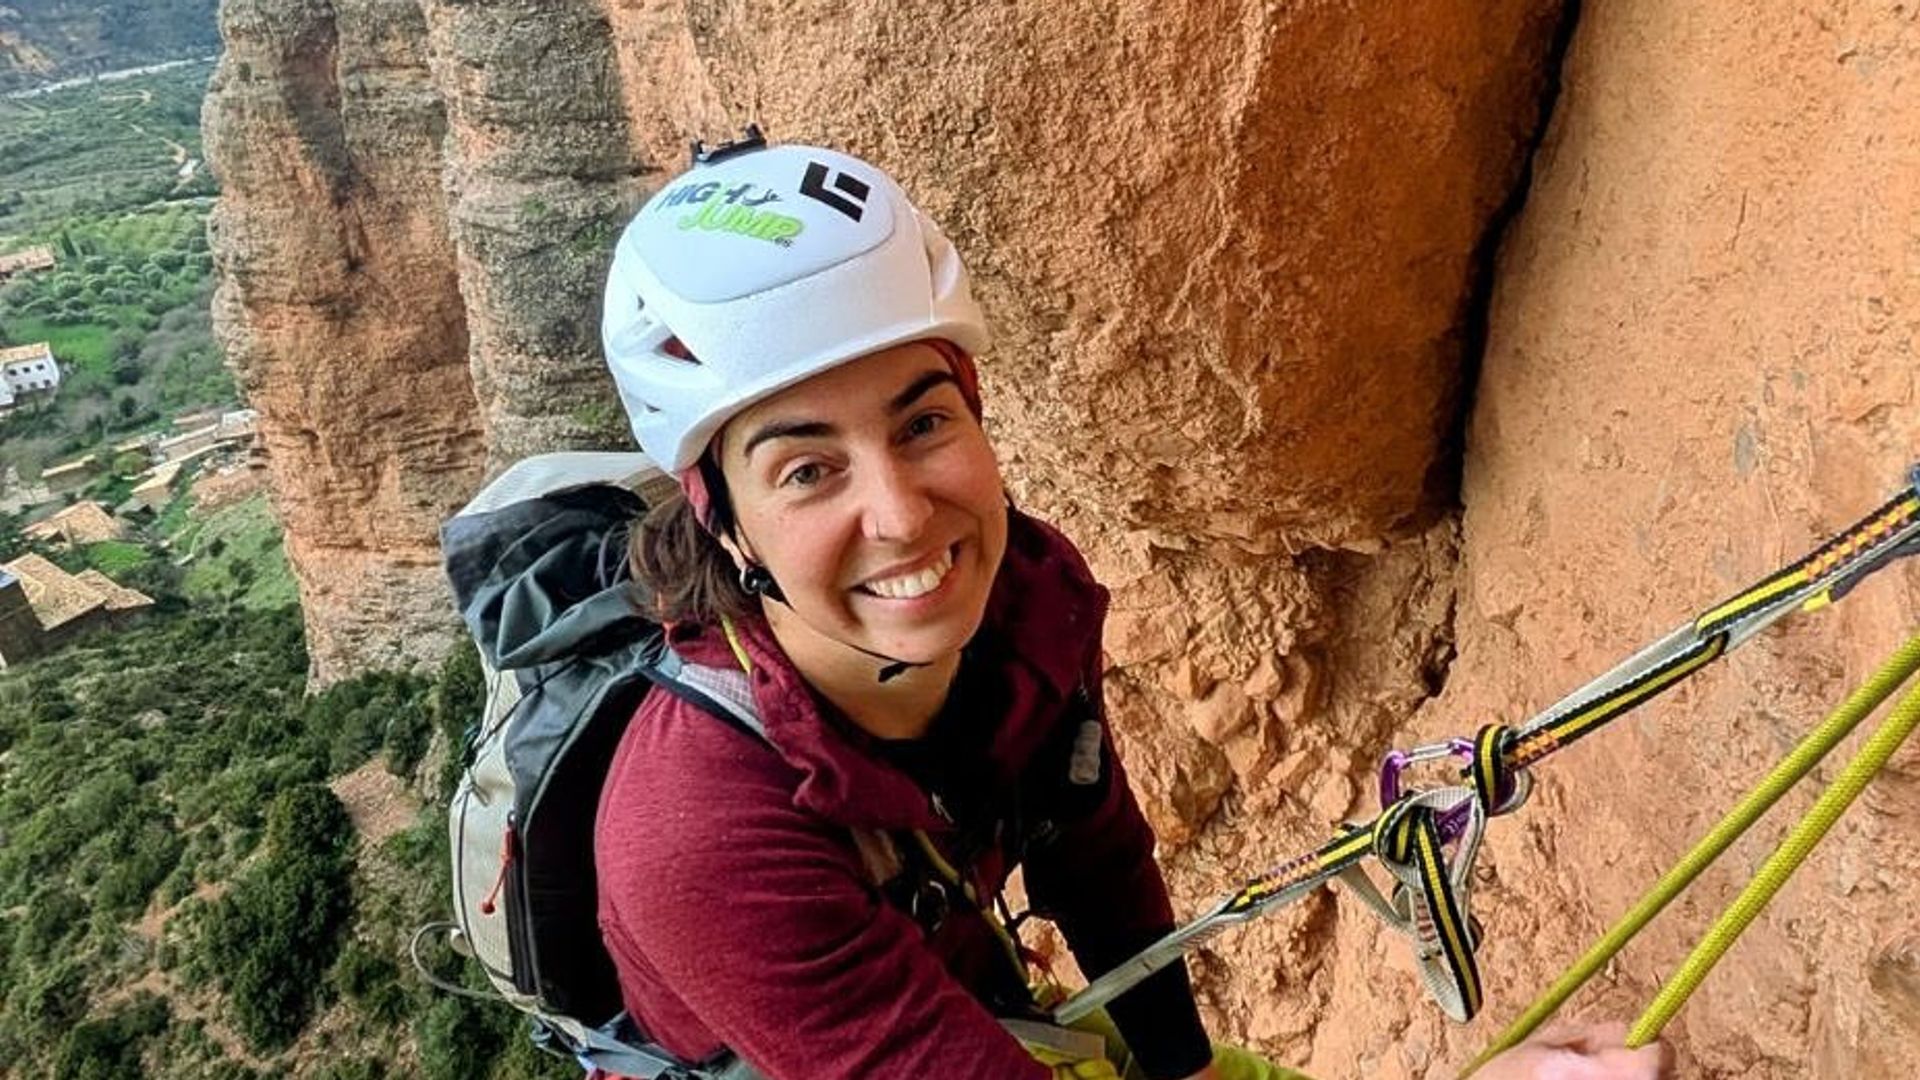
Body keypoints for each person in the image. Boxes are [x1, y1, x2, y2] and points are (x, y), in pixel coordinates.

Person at [593, 134, 1670, 1080]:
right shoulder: (697, 834)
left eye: (923, 424)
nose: (900, 515)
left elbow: (1093, 855)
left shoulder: (1028, 604)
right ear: (723, 524)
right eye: (806, 472)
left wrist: (1181, 1067)